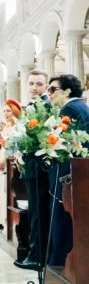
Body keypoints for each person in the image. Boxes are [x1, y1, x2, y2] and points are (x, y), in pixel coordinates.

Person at [46, 74, 89, 266]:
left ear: (67, 92)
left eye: (53, 90)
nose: (50, 95)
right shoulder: (82, 106)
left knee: (62, 220)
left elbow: (62, 143)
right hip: (78, 172)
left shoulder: (70, 108)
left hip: (68, 174)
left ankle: (59, 262)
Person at [14, 70, 51, 271]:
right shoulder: (30, 107)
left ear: (45, 86)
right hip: (30, 165)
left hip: (39, 167)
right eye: (31, 84)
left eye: (39, 84)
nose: (34, 88)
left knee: (38, 212)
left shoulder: (46, 107)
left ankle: (37, 257)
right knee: (35, 211)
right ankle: (34, 254)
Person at [0, 99, 21, 232]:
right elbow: (3, 147)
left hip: (10, 163)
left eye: (8, 110)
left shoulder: (17, 127)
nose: (5, 113)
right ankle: (5, 221)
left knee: (8, 191)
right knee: (3, 191)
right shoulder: (6, 127)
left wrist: (4, 160)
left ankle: (10, 222)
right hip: (3, 162)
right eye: (4, 111)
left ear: (15, 111)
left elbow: (15, 147)